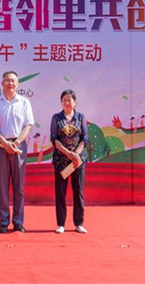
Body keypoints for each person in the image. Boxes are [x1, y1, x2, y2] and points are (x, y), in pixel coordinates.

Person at [0, 71, 34, 233]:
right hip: (1, 147)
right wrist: (5, 143)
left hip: (19, 147)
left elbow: (28, 126)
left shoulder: (24, 102)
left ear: (18, 84)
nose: (10, 84)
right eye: (7, 81)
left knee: (19, 187)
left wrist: (16, 142)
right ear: (2, 83)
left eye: (13, 81)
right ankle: (4, 221)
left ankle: (18, 222)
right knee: (2, 186)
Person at [50, 89, 88, 234]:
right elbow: (54, 139)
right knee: (60, 193)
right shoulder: (56, 118)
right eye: (64, 100)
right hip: (61, 161)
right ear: (61, 102)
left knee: (78, 192)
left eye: (69, 100)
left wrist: (76, 154)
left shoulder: (80, 117)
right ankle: (61, 224)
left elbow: (84, 138)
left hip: (77, 162)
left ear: (74, 102)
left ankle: (79, 223)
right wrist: (68, 153)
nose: (67, 102)